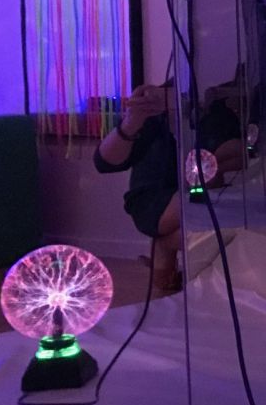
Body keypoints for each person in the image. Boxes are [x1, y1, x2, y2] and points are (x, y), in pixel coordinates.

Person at [94, 84, 244, 292]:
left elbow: (240, 154)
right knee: (217, 219)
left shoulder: (215, 110)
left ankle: (165, 249)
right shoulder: (154, 113)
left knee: (228, 222)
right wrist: (131, 122)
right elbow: (104, 163)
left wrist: (214, 162)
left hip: (199, 194)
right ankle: (165, 249)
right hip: (154, 200)